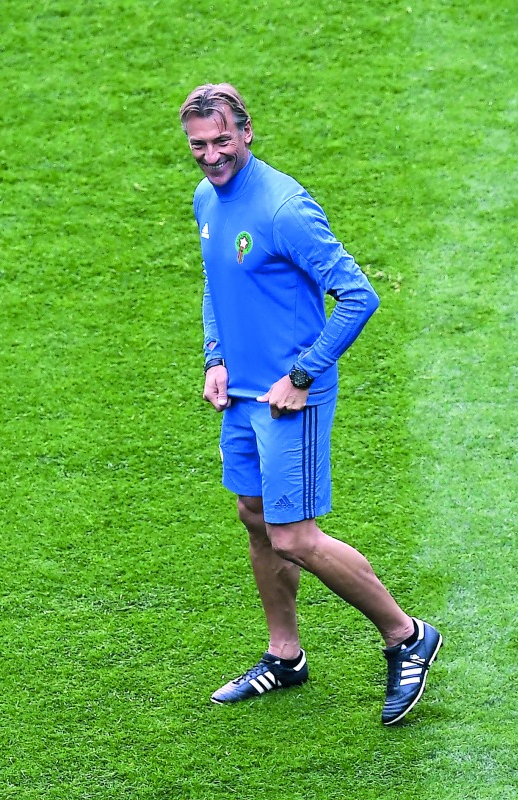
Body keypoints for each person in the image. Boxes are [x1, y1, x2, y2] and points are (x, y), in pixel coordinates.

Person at [180, 83, 441, 725]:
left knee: (294, 536)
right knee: (253, 515)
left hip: (289, 400)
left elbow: (358, 296)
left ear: (246, 132)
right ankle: (285, 656)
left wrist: (302, 375)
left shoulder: (284, 208)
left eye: (222, 140)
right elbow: (217, 281)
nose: (211, 156)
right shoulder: (206, 199)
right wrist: (215, 356)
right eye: (198, 145)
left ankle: (406, 635)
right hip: (241, 394)